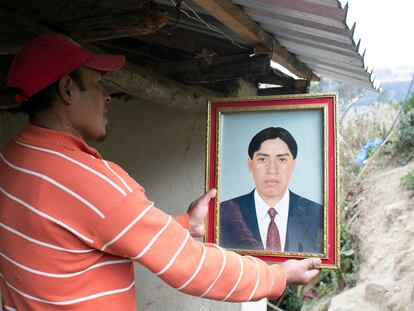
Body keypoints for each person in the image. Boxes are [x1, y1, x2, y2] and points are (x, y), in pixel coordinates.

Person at [0, 34, 321, 310]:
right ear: (67, 90)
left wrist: (183, 224)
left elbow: (89, 227)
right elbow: (191, 266)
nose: (107, 95)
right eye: (98, 83)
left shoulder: (11, 160)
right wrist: (278, 276)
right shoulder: (90, 181)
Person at [220, 127, 323, 253]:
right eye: (262, 159)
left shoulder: (317, 213)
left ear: (293, 165)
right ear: (250, 164)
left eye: (282, 159)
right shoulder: (223, 212)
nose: (272, 170)